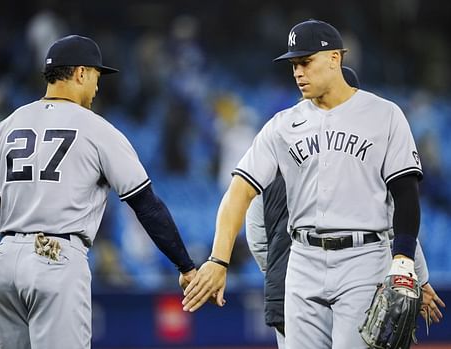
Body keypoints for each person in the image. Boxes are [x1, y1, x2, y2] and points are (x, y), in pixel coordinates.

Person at [183, 19, 427, 348]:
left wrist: (403, 262)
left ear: (335, 58)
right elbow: (239, 191)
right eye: (294, 64)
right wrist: (218, 259)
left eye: (306, 62)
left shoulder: (383, 115)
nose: (298, 72)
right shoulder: (283, 125)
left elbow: (405, 194)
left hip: (364, 257)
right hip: (302, 259)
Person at [0, 34, 197, 349]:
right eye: (96, 75)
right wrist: (185, 265)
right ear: (80, 73)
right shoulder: (97, 129)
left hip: (4, 266)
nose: (97, 86)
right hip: (56, 260)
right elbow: (146, 205)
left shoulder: (4, 127)